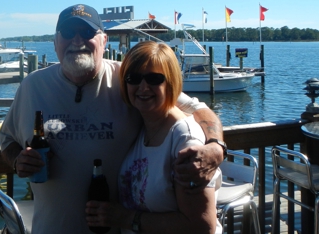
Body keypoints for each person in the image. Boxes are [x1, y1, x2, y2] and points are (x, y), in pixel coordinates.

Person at [0, 4, 226, 234]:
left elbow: (199, 109)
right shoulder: (32, 86)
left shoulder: (129, 79)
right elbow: (7, 139)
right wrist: (18, 159)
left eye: (88, 33)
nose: (77, 40)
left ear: (104, 41)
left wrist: (216, 147)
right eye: (68, 33)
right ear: (56, 41)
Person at [85, 41, 222, 234]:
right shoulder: (142, 128)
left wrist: (126, 218)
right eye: (133, 78)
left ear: (171, 82)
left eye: (154, 79)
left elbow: (201, 226)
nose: (143, 87)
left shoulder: (185, 141)